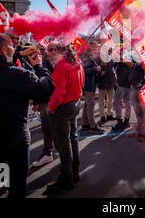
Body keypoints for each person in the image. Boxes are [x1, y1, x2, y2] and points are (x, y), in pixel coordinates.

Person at [0, 33, 54, 198]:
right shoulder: (19, 75)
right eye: (11, 46)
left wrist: (17, 55)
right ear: (4, 49)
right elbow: (45, 90)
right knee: (16, 187)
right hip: (13, 140)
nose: (14, 48)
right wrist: (38, 66)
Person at [46, 44, 85, 192]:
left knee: (63, 143)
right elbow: (81, 84)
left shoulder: (62, 66)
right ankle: (74, 173)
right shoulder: (76, 62)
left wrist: (51, 107)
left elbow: (59, 92)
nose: (48, 54)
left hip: (64, 106)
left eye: (50, 50)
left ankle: (66, 178)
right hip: (75, 103)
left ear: (57, 51)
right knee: (72, 138)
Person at [31, 41, 59, 167]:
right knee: (47, 128)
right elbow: (39, 83)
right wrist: (37, 101)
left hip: (61, 101)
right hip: (47, 101)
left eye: (55, 49)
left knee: (61, 129)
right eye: (50, 49)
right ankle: (47, 153)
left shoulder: (64, 62)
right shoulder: (44, 63)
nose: (53, 51)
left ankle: (61, 153)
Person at [81, 42, 104, 134]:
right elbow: (84, 70)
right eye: (94, 47)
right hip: (88, 84)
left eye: (96, 47)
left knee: (87, 104)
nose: (96, 49)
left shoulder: (90, 56)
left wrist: (98, 68)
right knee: (90, 104)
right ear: (89, 47)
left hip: (91, 84)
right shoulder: (85, 57)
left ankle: (85, 123)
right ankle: (92, 125)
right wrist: (96, 69)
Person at [113, 60, 133, 130]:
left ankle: (121, 121)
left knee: (117, 102)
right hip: (123, 83)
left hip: (124, 83)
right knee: (126, 103)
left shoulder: (128, 54)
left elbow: (131, 64)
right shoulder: (122, 54)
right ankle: (125, 121)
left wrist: (122, 59)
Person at [97, 53, 116, 124]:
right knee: (101, 100)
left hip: (110, 81)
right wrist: (100, 72)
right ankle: (102, 116)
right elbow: (97, 69)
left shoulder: (111, 57)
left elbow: (113, 68)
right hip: (102, 81)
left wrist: (114, 80)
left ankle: (109, 114)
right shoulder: (99, 58)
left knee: (110, 100)